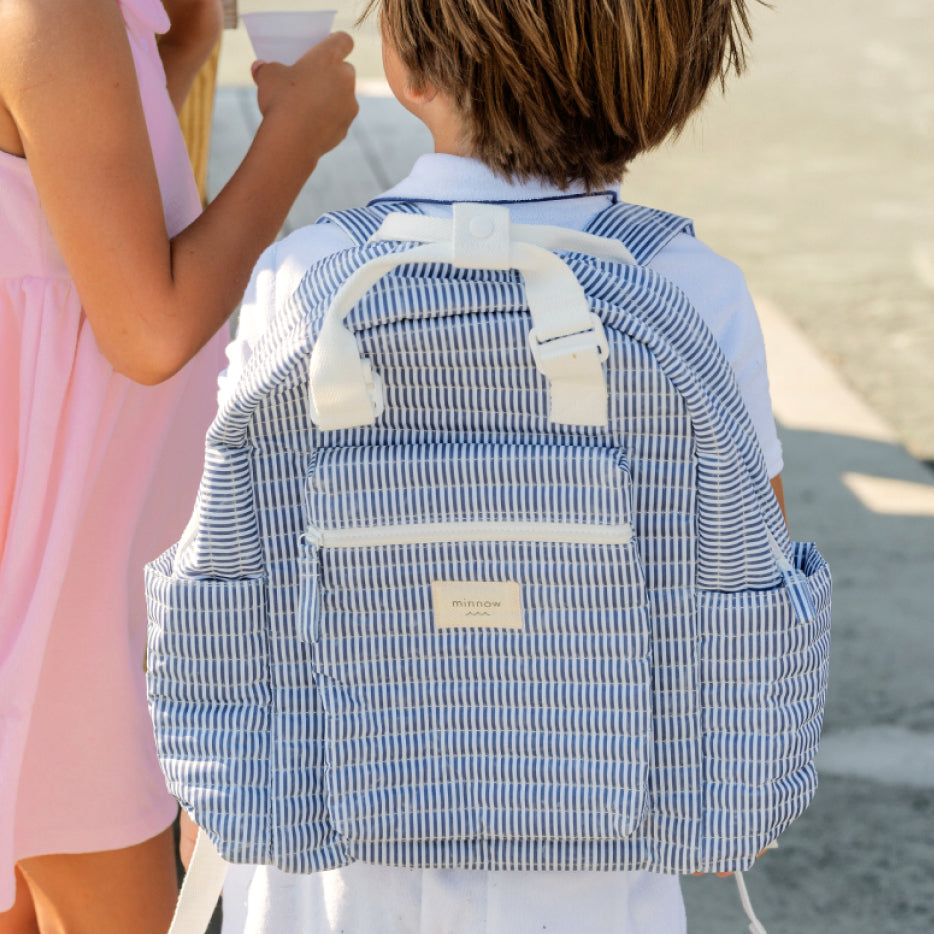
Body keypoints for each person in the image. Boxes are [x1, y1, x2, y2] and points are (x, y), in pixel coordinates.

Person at [211, 0, 786, 932]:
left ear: (407, 68)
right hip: (600, 849)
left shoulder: (305, 279)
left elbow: (241, 572)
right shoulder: (688, 289)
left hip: (330, 859)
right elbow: (751, 573)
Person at [0, 0, 357, 930]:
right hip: (59, 556)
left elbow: (77, 196)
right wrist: (297, 135)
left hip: (68, 527)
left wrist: (187, 46)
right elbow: (150, 328)